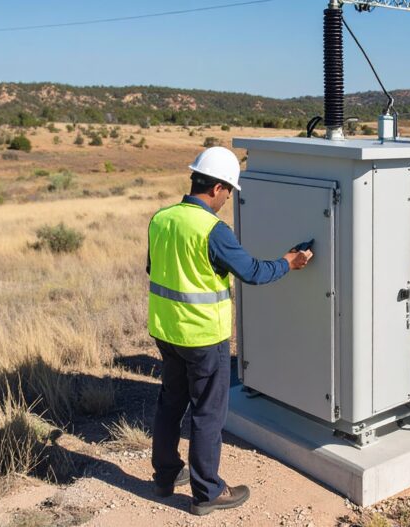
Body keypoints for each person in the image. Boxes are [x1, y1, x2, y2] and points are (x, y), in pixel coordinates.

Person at [146, 146, 313, 516]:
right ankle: (207, 492)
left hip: (165, 330)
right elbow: (254, 272)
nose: (226, 202)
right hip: (203, 336)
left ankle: (164, 476)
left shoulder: (162, 218)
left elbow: (154, 268)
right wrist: (290, 262)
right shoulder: (213, 230)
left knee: (170, 403)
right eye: (228, 194)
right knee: (208, 412)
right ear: (219, 188)